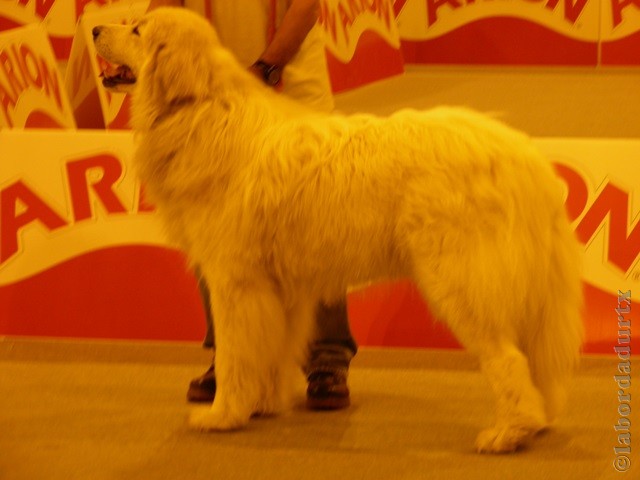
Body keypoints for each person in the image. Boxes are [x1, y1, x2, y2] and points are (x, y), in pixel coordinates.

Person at [147, 0, 357, 410]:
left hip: (293, 80)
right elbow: (164, 7)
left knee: (320, 227)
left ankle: (327, 359)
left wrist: (267, 66)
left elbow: (306, 7)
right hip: (210, 85)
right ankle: (232, 362)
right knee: (219, 236)